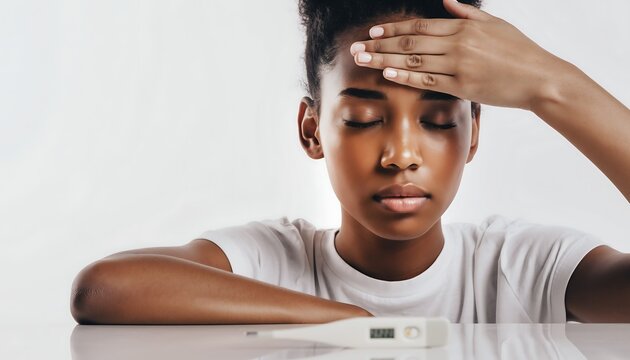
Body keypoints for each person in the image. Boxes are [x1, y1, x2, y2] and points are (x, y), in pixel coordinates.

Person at [70, 0, 630, 324]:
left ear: (474, 133)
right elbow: (102, 289)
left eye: (437, 121)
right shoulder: (275, 261)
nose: (402, 155)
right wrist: (358, 327)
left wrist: (551, 85)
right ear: (312, 130)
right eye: (363, 119)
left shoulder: (520, 268)